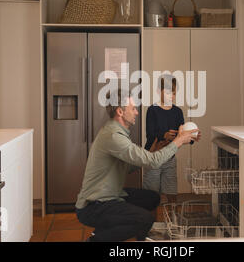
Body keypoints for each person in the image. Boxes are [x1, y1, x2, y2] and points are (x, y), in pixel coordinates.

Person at [75, 89, 198, 242]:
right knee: (144, 219)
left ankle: (141, 238)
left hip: (111, 195)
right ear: (120, 111)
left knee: (152, 198)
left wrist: (157, 149)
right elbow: (152, 162)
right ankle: (97, 239)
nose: (137, 112)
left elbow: (129, 167)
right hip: (94, 205)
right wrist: (179, 140)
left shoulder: (115, 131)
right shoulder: (114, 136)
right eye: (133, 108)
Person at [143, 74, 201, 204]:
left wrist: (192, 138)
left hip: (170, 159)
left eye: (174, 93)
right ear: (159, 91)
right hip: (153, 157)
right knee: (151, 197)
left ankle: (170, 222)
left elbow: (182, 134)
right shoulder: (152, 110)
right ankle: (152, 222)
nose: (172, 96)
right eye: (168, 92)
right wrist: (164, 135)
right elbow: (150, 134)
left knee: (171, 195)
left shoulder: (177, 112)